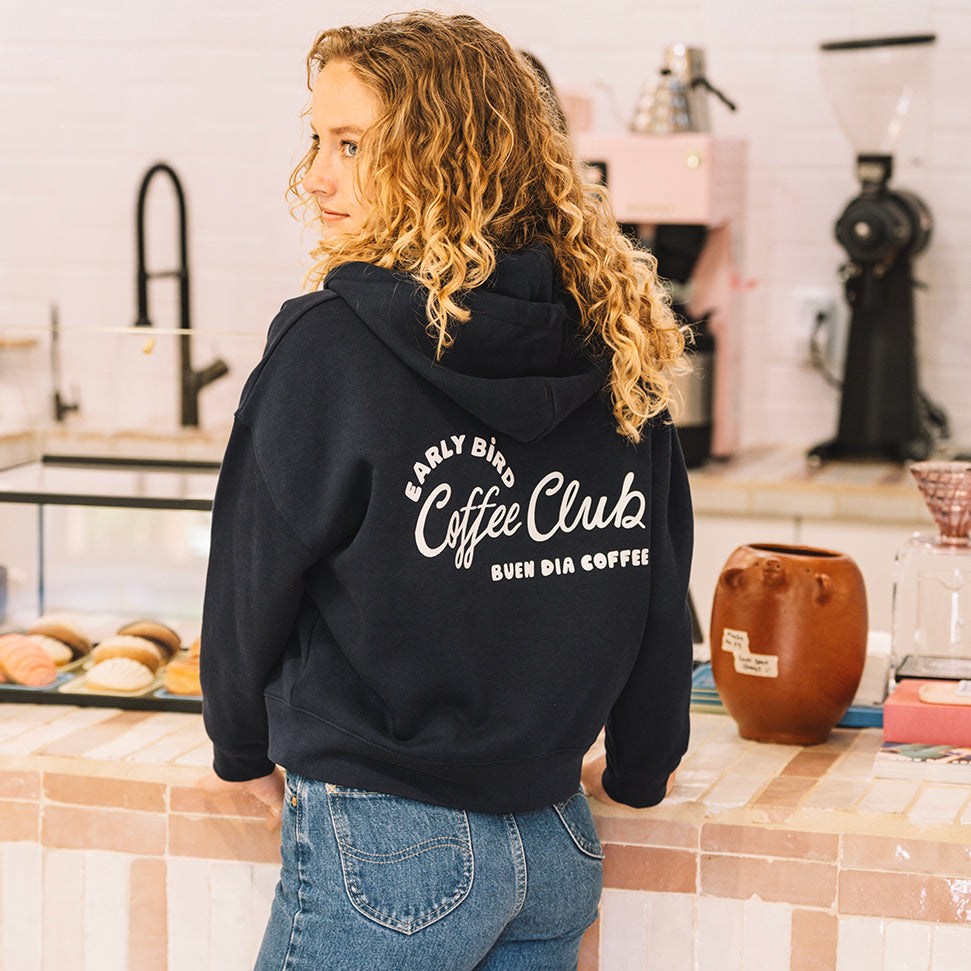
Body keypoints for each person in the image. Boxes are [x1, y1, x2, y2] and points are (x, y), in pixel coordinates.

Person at [197, 11, 694, 971]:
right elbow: (655, 584)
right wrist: (639, 768)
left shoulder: (329, 344)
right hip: (554, 841)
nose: (316, 175)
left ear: (444, 158)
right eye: (316, 139)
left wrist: (239, 745)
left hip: (386, 845)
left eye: (352, 144)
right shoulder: (615, 336)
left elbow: (250, 570)